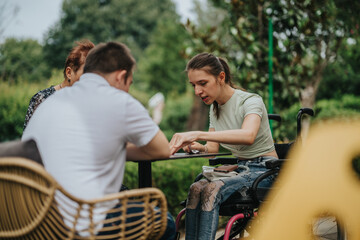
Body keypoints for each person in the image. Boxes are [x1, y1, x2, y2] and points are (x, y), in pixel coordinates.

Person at [22, 41, 175, 239]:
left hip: (32, 216)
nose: (127, 90)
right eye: (129, 83)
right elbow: (162, 149)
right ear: (121, 76)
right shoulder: (119, 100)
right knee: (165, 222)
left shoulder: (51, 101)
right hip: (77, 221)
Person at [169, 52, 278, 240]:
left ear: (221, 77)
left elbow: (248, 135)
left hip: (265, 171)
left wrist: (198, 133)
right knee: (196, 188)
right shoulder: (215, 108)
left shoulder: (250, 101)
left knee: (212, 189)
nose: (197, 91)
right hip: (240, 169)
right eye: (194, 85)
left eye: (202, 83)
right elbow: (212, 149)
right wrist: (196, 146)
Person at [23, 39, 95, 130]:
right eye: (86, 75)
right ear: (69, 72)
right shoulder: (42, 99)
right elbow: (29, 140)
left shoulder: (91, 102)